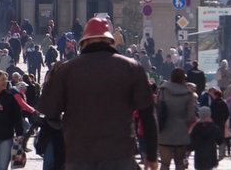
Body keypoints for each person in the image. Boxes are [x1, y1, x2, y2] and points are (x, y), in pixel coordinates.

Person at [39, 17, 158, 170]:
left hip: (79, 155)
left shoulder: (66, 71)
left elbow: (50, 113)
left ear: (84, 42)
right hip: (119, 154)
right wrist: (152, 155)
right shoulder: (132, 68)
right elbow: (147, 114)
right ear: (110, 41)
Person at [157, 68, 196, 170]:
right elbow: (191, 116)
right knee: (179, 163)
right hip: (181, 132)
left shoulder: (163, 90)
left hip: (164, 131)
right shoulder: (188, 93)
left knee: (165, 164)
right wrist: (183, 124)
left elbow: (158, 110)